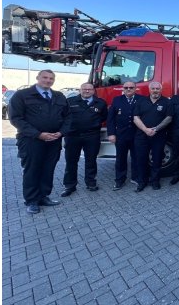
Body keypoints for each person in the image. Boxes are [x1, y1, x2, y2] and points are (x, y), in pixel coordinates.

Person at [9, 70, 71, 214]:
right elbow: (16, 119)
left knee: (48, 169)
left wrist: (61, 132)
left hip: (54, 141)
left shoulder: (59, 96)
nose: (48, 80)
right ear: (38, 78)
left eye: (51, 78)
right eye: (45, 77)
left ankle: (44, 196)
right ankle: (31, 201)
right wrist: (38, 134)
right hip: (31, 141)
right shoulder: (22, 95)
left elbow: (68, 117)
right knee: (32, 170)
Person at [61, 82, 107, 197]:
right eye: (84, 89)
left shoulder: (100, 103)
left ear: (93, 91)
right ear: (80, 90)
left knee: (91, 161)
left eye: (89, 89)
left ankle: (91, 183)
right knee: (71, 161)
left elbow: (104, 117)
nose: (87, 91)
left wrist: (94, 124)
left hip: (92, 136)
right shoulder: (70, 101)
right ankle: (70, 186)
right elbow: (63, 116)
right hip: (73, 136)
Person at [132, 81, 172, 191]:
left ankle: (155, 181)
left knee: (157, 159)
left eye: (157, 88)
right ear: (149, 90)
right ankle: (142, 182)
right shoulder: (141, 101)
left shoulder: (167, 102)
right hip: (142, 136)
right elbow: (136, 118)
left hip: (158, 136)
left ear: (161, 90)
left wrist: (156, 129)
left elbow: (169, 118)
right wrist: (145, 130)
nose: (155, 90)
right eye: (153, 88)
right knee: (141, 159)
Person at [107, 81, 139, 190]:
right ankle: (120, 180)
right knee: (120, 158)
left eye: (131, 87)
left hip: (137, 135)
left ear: (135, 88)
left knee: (136, 157)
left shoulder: (142, 99)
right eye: (126, 87)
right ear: (123, 89)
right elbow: (110, 119)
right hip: (121, 135)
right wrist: (111, 134)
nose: (128, 89)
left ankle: (136, 178)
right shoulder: (117, 100)